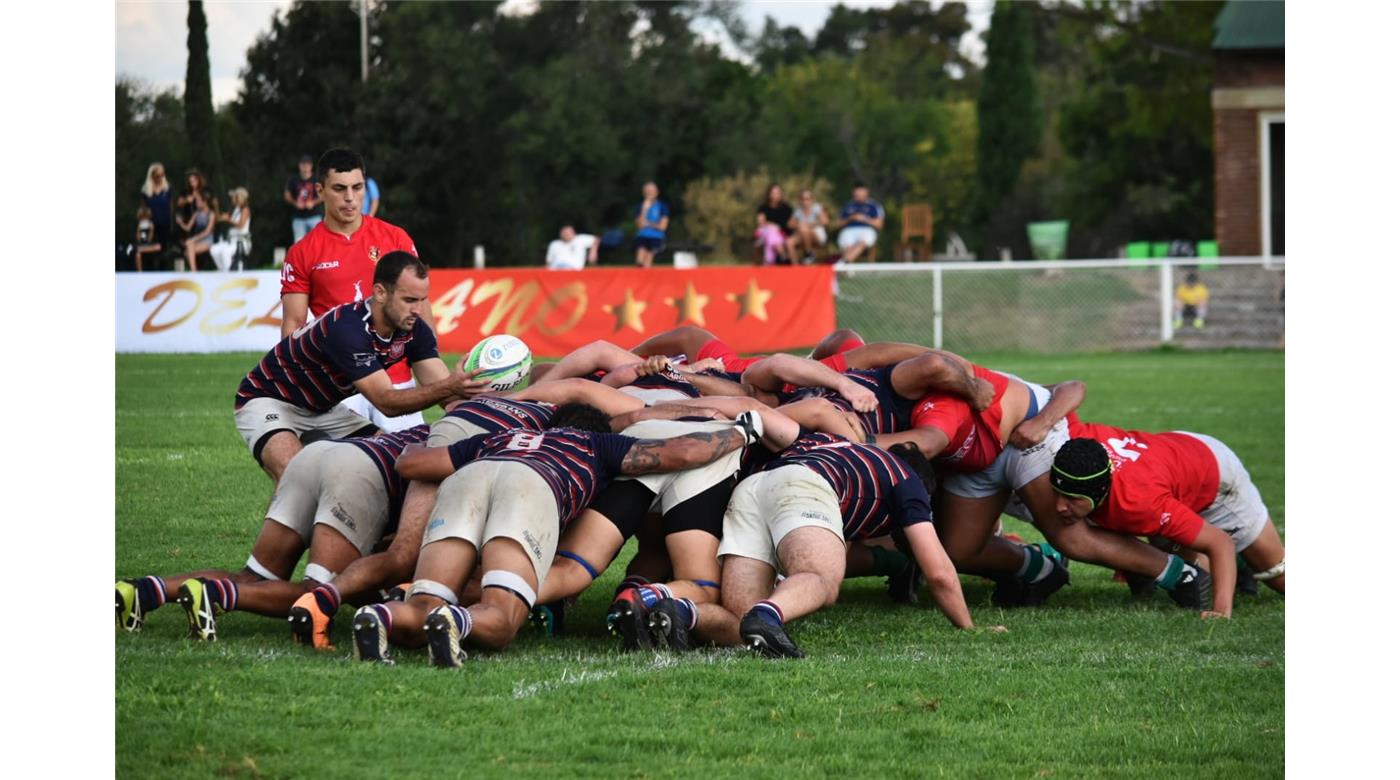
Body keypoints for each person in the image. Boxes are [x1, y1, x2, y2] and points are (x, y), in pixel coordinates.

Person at [346, 403, 757, 666]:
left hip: (469, 477)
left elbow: (413, 464)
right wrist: (742, 432)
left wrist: (397, 443)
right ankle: (456, 619)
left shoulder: (497, 438)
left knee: (424, 601)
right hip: (530, 487)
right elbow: (682, 453)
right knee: (503, 617)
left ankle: (379, 615)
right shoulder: (597, 444)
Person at [651, 419, 978, 658]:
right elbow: (939, 572)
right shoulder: (907, 481)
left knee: (740, 625)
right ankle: (769, 615)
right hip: (806, 486)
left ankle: (679, 611)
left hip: (754, 488)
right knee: (820, 577)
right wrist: (968, 628)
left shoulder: (840, 449)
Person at [114, 425, 429, 640]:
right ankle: (214, 594)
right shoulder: (472, 441)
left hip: (316, 456)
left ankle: (142, 591)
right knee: (320, 591)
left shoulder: (449, 424)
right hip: (358, 471)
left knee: (255, 575)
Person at [234, 251, 487, 484]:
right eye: (409, 300)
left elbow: (448, 394)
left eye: (422, 300)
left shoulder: (413, 329)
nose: (418, 310)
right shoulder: (348, 328)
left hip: (324, 409)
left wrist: (493, 401)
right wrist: (450, 385)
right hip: (268, 399)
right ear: (379, 293)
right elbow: (387, 402)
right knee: (295, 476)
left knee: (387, 463)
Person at [1047, 423, 1285, 618]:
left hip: (1217, 476)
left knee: (1279, 577)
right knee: (1169, 545)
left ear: (1099, 492)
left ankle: (1242, 562)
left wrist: (1220, 612)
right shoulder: (1078, 442)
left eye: (1072, 499)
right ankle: (1238, 564)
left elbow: (1220, 542)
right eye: (1057, 493)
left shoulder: (1140, 503)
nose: (1059, 506)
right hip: (1175, 452)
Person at [280, 148, 423, 433]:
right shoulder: (302, 252)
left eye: (357, 188)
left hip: (397, 379)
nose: (350, 197)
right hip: (340, 389)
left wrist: (432, 371)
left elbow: (420, 310)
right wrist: (298, 387)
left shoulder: (395, 238)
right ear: (320, 191)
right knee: (344, 474)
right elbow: (294, 325)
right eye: (339, 188)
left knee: (412, 467)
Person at [837, 184, 885, 263]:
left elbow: (880, 225)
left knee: (863, 241)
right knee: (847, 242)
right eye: (857, 193)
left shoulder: (874, 206)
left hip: (867, 229)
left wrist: (865, 219)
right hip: (849, 229)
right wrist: (851, 218)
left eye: (861, 193)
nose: (858, 195)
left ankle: (843, 262)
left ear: (866, 193)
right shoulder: (848, 206)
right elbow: (839, 223)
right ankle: (847, 267)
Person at [211, 187, 252, 271]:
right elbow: (219, 218)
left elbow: (240, 225)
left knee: (225, 253)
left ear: (240, 197)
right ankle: (224, 272)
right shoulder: (235, 210)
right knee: (214, 250)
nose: (232, 198)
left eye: (235, 196)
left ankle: (230, 275)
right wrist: (216, 206)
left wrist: (229, 220)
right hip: (232, 241)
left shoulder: (245, 210)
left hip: (241, 242)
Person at [284, 153, 322, 243]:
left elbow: (324, 195)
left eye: (307, 164)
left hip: (314, 216)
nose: (305, 167)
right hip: (298, 218)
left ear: (311, 166)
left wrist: (313, 202)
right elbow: (286, 195)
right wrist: (295, 203)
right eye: (303, 164)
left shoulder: (316, 179)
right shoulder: (293, 179)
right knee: (299, 244)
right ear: (299, 166)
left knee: (317, 242)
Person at [754, 184, 795, 265]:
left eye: (778, 193)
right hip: (765, 233)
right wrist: (772, 225)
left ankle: (769, 262)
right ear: (769, 194)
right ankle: (782, 255)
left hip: (782, 234)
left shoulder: (786, 208)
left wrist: (778, 228)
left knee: (772, 235)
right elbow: (760, 222)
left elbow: (791, 224)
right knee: (771, 232)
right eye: (773, 193)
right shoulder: (763, 207)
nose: (776, 195)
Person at [175, 190, 214, 272]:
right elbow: (188, 228)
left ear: (204, 202)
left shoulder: (211, 214)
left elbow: (207, 232)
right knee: (189, 247)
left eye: (198, 201)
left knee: (188, 248)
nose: (196, 203)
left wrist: (193, 239)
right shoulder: (196, 213)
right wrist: (181, 222)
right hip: (197, 241)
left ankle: (193, 271)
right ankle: (194, 271)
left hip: (207, 240)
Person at [634, 181, 669, 268]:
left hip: (656, 237)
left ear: (657, 192)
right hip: (642, 236)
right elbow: (640, 226)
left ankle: (646, 278)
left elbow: (662, 227)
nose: (650, 193)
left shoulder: (662, 206)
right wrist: (644, 209)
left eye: (652, 191)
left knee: (648, 260)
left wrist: (649, 223)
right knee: (640, 260)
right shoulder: (640, 206)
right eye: (648, 191)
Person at [139, 162, 173, 252]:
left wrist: (171, 222)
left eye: (162, 175)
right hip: (150, 225)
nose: (161, 177)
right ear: (152, 175)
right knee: (149, 249)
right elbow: (143, 209)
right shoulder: (145, 190)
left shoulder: (167, 188)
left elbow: (170, 206)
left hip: (165, 223)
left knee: (164, 250)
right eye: (158, 175)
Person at [789, 188, 829, 263]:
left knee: (804, 229)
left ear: (812, 199)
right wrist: (798, 224)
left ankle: (808, 253)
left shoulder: (816, 208)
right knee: (789, 242)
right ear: (800, 200)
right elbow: (790, 224)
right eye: (803, 199)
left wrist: (811, 224)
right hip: (803, 234)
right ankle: (795, 267)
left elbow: (825, 221)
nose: (805, 202)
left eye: (807, 199)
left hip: (817, 234)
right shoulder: (798, 210)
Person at [133, 206, 161, 272]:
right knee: (137, 253)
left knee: (157, 247)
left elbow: (150, 237)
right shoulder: (140, 224)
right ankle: (140, 272)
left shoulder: (151, 224)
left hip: (149, 245)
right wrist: (139, 232)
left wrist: (147, 242)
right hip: (142, 244)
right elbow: (138, 237)